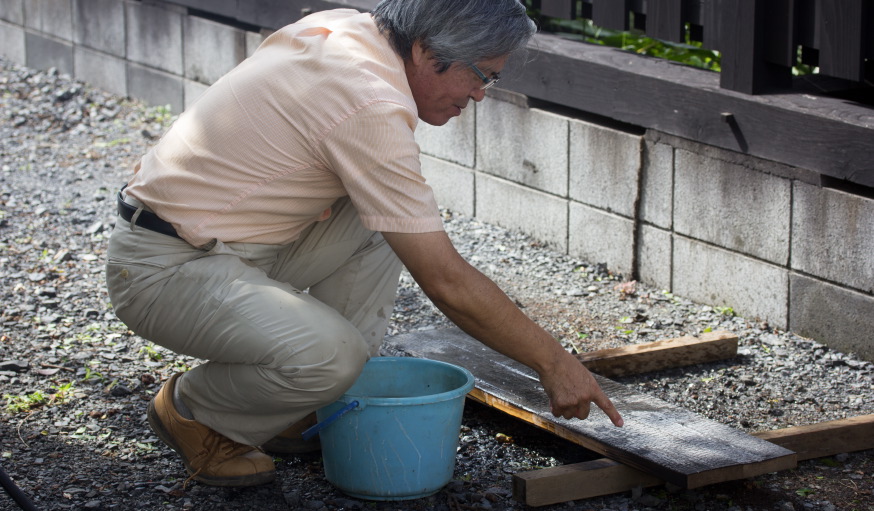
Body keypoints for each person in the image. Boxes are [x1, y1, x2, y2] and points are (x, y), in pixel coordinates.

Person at [105, 0, 624, 488]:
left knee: (386, 223)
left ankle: (297, 404)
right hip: (163, 269)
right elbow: (445, 281)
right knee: (334, 355)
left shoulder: (349, 30)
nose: (481, 93)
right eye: (481, 74)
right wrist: (554, 363)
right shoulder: (367, 99)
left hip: (224, 243)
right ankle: (198, 413)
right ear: (425, 50)